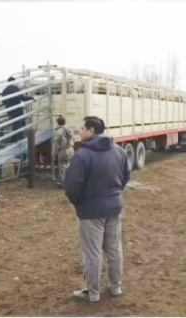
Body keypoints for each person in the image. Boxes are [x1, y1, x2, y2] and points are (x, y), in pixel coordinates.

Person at [63, 116, 130, 302]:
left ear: (91, 131)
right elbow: (125, 176)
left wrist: (79, 203)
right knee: (114, 249)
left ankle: (93, 293)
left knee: (93, 252)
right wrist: (114, 195)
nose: (80, 132)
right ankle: (116, 288)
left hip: (91, 212)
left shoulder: (83, 155)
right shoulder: (119, 151)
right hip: (114, 208)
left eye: (82, 129)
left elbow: (71, 186)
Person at [2, 76, 34, 143]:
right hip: (17, 110)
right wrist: (31, 98)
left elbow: (3, 101)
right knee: (20, 125)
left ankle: (14, 139)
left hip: (10, 111)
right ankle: (18, 140)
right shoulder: (15, 88)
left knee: (15, 125)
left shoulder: (5, 90)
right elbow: (22, 98)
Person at [52, 116, 75, 187]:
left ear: (58, 123)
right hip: (71, 149)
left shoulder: (58, 131)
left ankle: (65, 183)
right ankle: (72, 181)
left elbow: (55, 143)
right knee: (71, 165)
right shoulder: (70, 130)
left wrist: (53, 153)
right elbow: (73, 139)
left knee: (63, 167)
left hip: (63, 150)